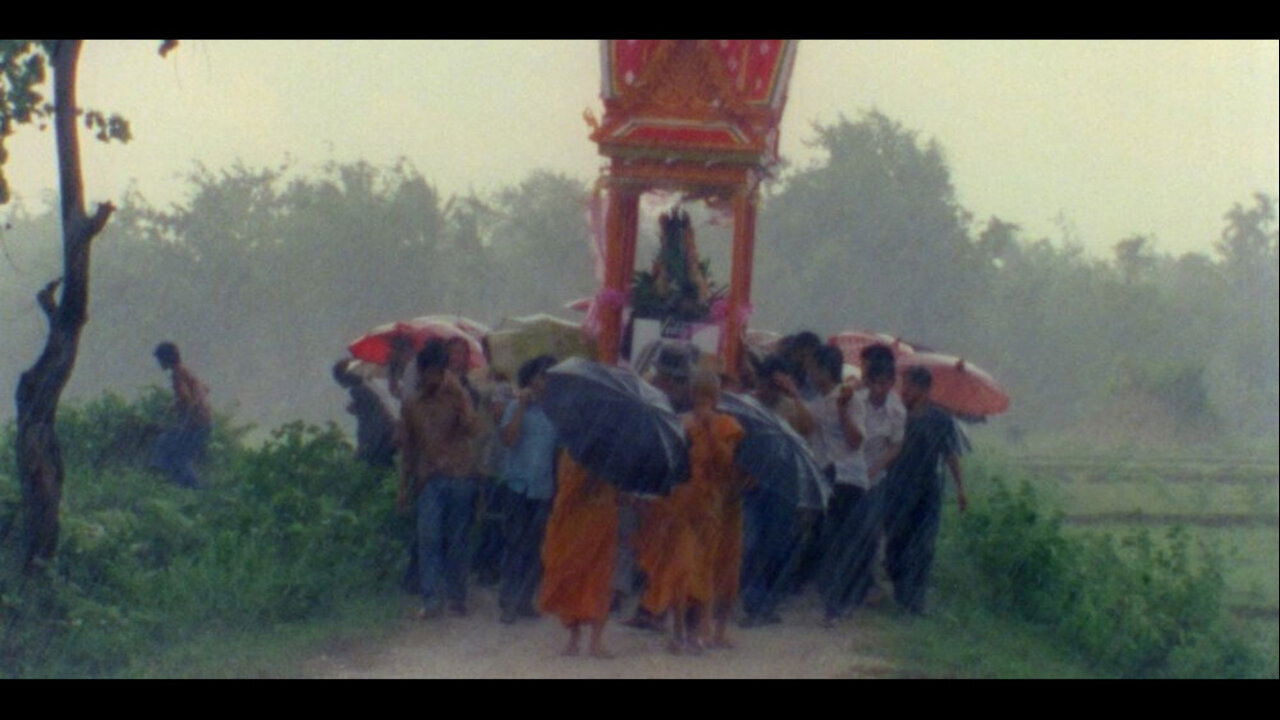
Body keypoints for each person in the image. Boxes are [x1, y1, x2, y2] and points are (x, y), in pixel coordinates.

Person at [636, 368, 745, 654]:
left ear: (716, 398)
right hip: (681, 506)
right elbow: (668, 463)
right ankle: (678, 633)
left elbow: (727, 464)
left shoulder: (727, 425)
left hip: (709, 508)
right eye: (698, 397)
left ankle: (699, 633)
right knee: (681, 567)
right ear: (691, 396)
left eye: (707, 397)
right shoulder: (680, 423)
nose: (702, 402)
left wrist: (710, 430)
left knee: (704, 569)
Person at [816, 352, 903, 625]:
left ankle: (850, 595)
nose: (878, 389)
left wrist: (875, 468)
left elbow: (895, 446)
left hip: (873, 479)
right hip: (845, 475)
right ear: (868, 381)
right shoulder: (854, 400)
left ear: (891, 383)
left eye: (884, 383)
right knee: (838, 538)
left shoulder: (896, 410)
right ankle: (834, 599)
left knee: (863, 538)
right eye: (874, 382)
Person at [398, 339, 481, 618]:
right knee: (429, 538)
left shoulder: (457, 396)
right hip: (429, 478)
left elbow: (473, 429)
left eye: (438, 372)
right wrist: (403, 487)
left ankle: (457, 596)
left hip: (460, 475)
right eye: (429, 373)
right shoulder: (412, 404)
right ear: (422, 372)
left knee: (458, 539)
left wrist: (461, 398)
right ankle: (431, 599)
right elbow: (409, 448)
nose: (433, 378)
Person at [882, 366, 969, 615]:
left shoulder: (941, 419)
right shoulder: (896, 413)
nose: (904, 391)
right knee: (896, 540)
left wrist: (961, 488)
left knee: (923, 545)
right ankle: (901, 592)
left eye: (909, 386)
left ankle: (915, 601)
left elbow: (950, 454)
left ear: (923, 389)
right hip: (896, 487)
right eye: (904, 385)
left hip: (927, 489)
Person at [622, 341, 695, 630]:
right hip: (657, 486)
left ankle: (659, 609)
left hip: (674, 489)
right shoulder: (656, 398)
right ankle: (655, 607)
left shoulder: (685, 406)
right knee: (653, 552)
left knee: (665, 553)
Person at [740, 355, 816, 627]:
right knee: (751, 543)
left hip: (783, 486)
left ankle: (765, 602)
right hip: (752, 484)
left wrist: (795, 394)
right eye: (767, 384)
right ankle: (753, 603)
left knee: (775, 546)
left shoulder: (789, 407)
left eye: (775, 387)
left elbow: (809, 428)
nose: (770, 391)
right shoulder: (746, 404)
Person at [496, 355, 559, 624]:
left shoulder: (556, 412)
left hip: (543, 489)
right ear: (531, 378)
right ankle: (508, 601)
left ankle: (525, 599)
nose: (546, 382)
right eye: (542, 376)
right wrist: (521, 407)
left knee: (536, 547)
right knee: (514, 544)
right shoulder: (515, 406)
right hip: (518, 486)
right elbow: (509, 439)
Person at [539, 449, 620, 659]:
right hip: (573, 518)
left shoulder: (610, 451)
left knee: (598, 578)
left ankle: (593, 640)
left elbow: (617, 487)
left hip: (599, 518)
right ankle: (577, 639)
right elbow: (566, 486)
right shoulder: (572, 451)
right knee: (572, 576)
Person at [150, 342, 212, 489]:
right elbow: (204, 390)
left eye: (160, 360)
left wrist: (183, 422)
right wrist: (173, 407)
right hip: (203, 421)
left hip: (196, 423)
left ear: (166, 359)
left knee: (178, 457)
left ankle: (195, 489)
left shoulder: (177, 374)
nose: (159, 363)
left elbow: (186, 399)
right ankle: (178, 486)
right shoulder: (186, 371)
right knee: (169, 447)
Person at [332, 359, 397, 469]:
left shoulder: (358, 390)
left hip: (379, 435)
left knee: (374, 465)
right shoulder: (368, 386)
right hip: (386, 431)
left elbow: (372, 417)